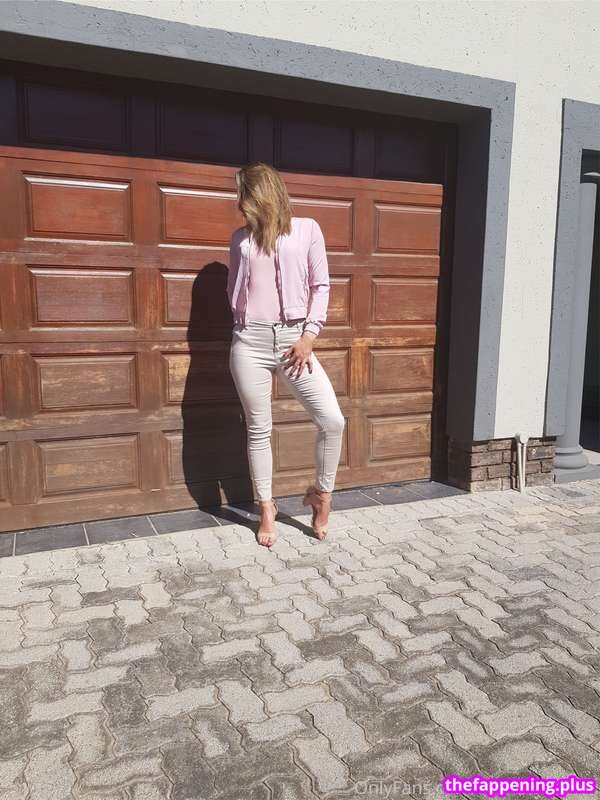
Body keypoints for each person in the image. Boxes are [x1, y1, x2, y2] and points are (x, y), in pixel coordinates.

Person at [227, 162, 345, 548]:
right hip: (250, 341)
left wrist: (309, 336)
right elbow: (235, 289)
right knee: (258, 428)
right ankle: (266, 507)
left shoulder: (307, 229)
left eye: (242, 194)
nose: (238, 202)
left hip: (295, 341)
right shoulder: (240, 239)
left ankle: (321, 495)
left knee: (332, 420)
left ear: (259, 195)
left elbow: (321, 286)